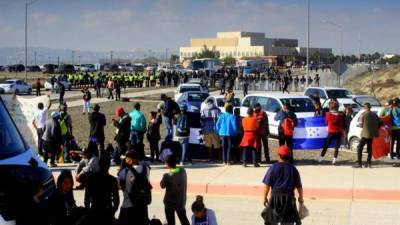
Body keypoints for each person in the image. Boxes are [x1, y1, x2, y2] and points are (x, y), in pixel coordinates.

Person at [262, 145, 303, 225]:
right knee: (288, 222)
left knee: (271, 221)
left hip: (275, 199)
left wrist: (264, 197)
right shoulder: (293, 169)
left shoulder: (273, 168)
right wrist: (300, 198)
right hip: (289, 199)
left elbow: (267, 185)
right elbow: (299, 187)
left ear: (279, 156)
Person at [118, 150, 151, 225]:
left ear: (131, 159)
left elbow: (120, 184)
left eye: (126, 158)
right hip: (142, 204)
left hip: (128, 204)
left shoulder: (125, 171)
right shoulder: (146, 169)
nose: (125, 160)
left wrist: (122, 166)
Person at [84, 158, 120, 225]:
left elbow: (87, 196)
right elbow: (116, 198)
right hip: (107, 208)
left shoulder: (91, 178)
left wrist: (88, 209)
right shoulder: (112, 180)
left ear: (99, 165)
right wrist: (114, 210)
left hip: (95, 208)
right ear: (109, 166)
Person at [160, 155, 190, 225]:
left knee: (170, 221)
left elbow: (162, 185)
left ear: (167, 164)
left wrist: (166, 175)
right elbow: (176, 171)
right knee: (184, 219)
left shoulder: (167, 176)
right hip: (181, 201)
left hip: (169, 203)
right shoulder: (183, 171)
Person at [353, 103, 380, 168]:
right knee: (370, 148)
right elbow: (379, 123)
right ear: (370, 107)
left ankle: (359, 163)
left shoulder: (363, 114)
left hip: (365, 133)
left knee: (359, 147)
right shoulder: (374, 114)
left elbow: (360, 124)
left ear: (364, 108)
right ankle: (368, 162)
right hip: (372, 134)